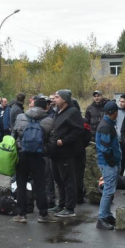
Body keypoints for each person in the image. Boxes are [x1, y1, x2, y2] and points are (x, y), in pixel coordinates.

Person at [11, 97, 54, 223]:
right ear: (45, 107)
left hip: (22, 155)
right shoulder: (49, 121)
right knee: (40, 185)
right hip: (38, 156)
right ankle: (43, 214)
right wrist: (43, 150)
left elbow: (13, 136)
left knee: (21, 184)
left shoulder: (20, 117)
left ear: (33, 105)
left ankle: (21, 214)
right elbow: (52, 142)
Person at [48, 90, 85, 218]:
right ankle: (61, 204)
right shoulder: (57, 112)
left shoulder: (73, 112)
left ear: (64, 99)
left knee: (68, 180)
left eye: (57, 97)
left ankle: (70, 207)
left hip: (66, 152)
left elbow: (78, 130)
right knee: (58, 179)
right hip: (55, 153)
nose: (54, 99)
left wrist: (63, 141)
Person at [95, 101, 122, 230]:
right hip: (107, 163)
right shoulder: (106, 126)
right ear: (115, 113)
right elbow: (105, 148)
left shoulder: (108, 124)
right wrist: (112, 162)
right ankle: (101, 217)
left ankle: (106, 214)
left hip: (108, 162)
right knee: (108, 191)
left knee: (109, 189)